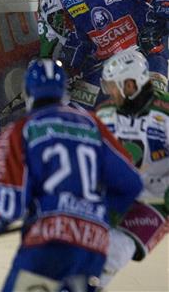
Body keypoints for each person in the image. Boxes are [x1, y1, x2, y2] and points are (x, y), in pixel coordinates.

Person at [0, 59, 143, 292]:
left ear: (28, 91)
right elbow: (131, 184)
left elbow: (9, 206)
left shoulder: (19, 131)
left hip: (47, 247)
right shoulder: (92, 125)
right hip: (92, 246)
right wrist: (96, 214)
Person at [56, 0, 169, 111]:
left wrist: (155, 26)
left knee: (157, 107)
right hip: (106, 67)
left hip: (148, 56)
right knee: (74, 111)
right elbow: (77, 37)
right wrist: (66, 66)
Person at [96, 48, 169, 288]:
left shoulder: (165, 113)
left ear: (130, 85)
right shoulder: (105, 113)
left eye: (114, 86)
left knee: (113, 253)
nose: (110, 93)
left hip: (155, 201)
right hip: (115, 198)